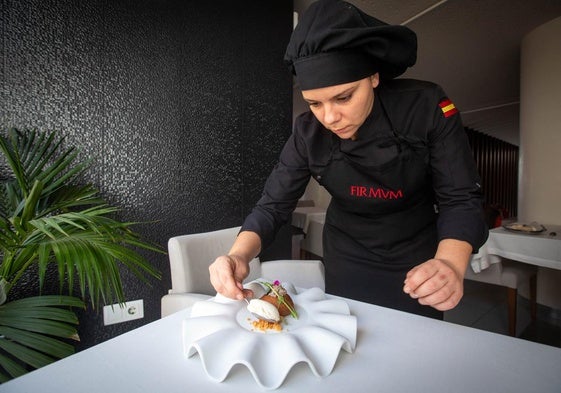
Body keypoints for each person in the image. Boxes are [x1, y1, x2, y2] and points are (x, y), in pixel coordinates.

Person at [209, 0, 488, 319]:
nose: (330, 117)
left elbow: (461, 197)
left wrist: (450, 262)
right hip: (348, 253)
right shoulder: (308, 133)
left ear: (373, 76)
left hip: (417, 256)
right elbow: (273, 205)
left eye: (344, 97)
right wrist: (238, 255)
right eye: (314, 103)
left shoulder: (426, 108)